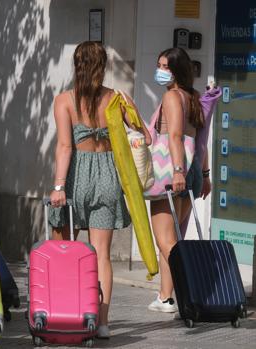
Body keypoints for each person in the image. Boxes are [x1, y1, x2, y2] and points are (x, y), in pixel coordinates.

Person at [48, 41, 151, 339]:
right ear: (103, 66)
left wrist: (58, 186)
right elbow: (144, 137)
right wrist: (131, 112)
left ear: (76, 66)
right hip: (107, 175)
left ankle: (67, 310)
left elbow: (65, 146)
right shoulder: (116, 99)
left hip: (77, 176)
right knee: (102, 254)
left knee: (63, 247)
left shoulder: (64, 100)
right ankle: (103, 322)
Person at [147, 47, 208, 313]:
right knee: (172, 238)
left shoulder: (172, 96)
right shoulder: (194, 97)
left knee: (165, 241)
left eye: (164, 67)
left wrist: (177, 170)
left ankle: (190, 291)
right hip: (191, 172)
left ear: (176, 70)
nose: (159, 71)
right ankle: (165, 297)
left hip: (171, 172)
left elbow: (174, 137)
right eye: (159, 65)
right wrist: (204, 175)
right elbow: (202, 143)